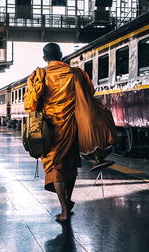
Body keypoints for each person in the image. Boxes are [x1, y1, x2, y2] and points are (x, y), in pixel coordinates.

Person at [24, 43, 93, 223]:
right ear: (61, 55)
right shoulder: (76, 73)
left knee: (56, 167)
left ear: (45, 58)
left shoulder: (40, 75)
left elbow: (31, 104)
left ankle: (64, 210)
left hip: (50, 129)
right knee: (70, 165)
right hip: (72, 126)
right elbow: (89, 93)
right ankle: (67, 201)